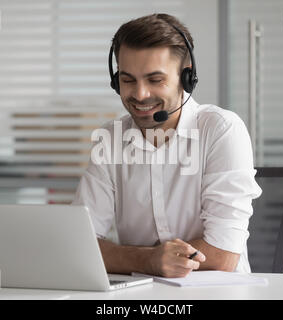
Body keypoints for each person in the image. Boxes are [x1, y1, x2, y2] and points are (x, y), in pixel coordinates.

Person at [73, 13, 262, 278]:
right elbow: (79, 246)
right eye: (128, 80)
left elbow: (223, 255)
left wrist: (132, 258)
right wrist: (149, 259)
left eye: (155, 80)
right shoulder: (110, 138)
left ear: (186, 79)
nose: (140, 94)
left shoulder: (220, 130)